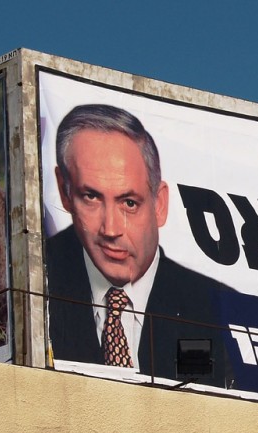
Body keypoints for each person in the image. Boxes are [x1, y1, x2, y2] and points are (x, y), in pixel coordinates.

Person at [46, 104, 230, 387]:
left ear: (160, 204)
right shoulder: (35, 280)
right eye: (91, 197)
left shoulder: (213, 309)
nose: (110, 229)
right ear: (64, 191)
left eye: (129, 203)